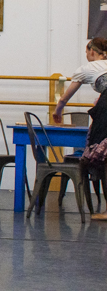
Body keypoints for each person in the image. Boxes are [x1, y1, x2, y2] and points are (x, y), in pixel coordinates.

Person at [53, 38, 107, 220]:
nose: (86, 55)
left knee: (103, 157)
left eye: (86, 52)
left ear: (92, 50)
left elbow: (64, 98)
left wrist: (58, 112)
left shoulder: (85, 69)